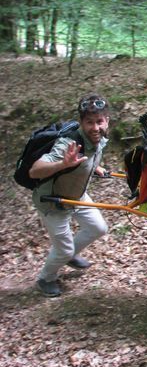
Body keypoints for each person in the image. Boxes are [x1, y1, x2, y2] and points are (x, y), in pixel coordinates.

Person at [29, 94, 111, 297]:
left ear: (107, 120)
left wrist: (96, 167)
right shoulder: (68, 144)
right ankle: (45, 278)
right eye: (89, 122)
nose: (95, 127)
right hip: (53, 202)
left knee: (98, 228)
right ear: (81, 122)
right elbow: (34, 171)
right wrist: (62, 164)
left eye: (99, 121)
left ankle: (68, 254)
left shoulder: (98, 138)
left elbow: (88, 156)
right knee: (63, 250)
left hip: (77, 195)